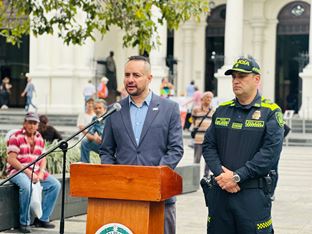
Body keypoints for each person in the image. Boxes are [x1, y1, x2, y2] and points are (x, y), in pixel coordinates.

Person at [99, 55, 184, 234]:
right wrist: (115, 176)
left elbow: (176, 149)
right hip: (124, 196)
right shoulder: (114, 110)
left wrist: (155, 176)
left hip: (160, 197)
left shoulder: (169, 108)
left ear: (149, 78)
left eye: (136, 75)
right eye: (127, 74)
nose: (130, 80)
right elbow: (106, 150)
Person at [202, 56, 284, 234]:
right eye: (234, 77)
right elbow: (208, 146)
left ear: (257, 79)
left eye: (242, 76)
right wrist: (222, 175)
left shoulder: (270, 112)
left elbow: (269, 154)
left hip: (252, 195)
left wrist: (237, 176)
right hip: (220, 193)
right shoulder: (222, 110)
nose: (236, 81)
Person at [6, 112, 61, 233]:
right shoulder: (16, 136)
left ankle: (42, 218)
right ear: (24, 123)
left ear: (37, 125)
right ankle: (24, 222)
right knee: (27, 187)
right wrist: (28, 173)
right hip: (17, 170)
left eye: (34, 123)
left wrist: (41, 173)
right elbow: (11, 159)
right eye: (29, 122)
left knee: (55, 185)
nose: (32, 125)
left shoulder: (39, 137)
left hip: (36, 170)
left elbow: (43, 158)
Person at [191, 91, 214, 176]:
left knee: (208, 160)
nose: (209, 99)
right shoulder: (196, 109)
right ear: (202, 99)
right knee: (196, 160)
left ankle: (206, 177)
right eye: (207, 97)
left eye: (210, 97)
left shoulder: (213, 110)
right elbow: (193, 121)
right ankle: (194, 178)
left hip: (209, 140)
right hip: (198, 139)